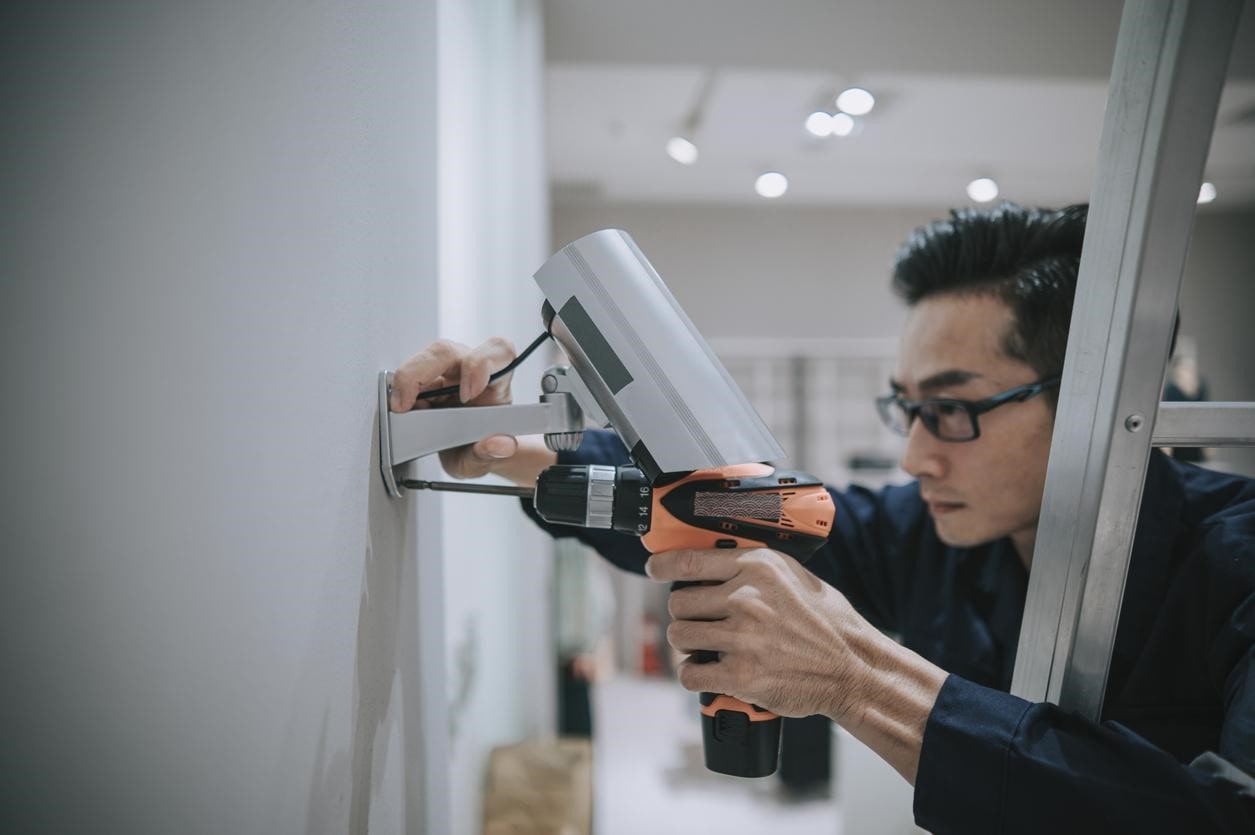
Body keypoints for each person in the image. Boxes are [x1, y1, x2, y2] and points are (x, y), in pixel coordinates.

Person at [390, 203, 1255, 833]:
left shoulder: (1236, 564)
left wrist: (859, 676)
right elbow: (708, 509)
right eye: (904, 409)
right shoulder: (926, 532)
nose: (917, 458)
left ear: (1100, 405)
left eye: (952, 412)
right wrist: (507, 443)